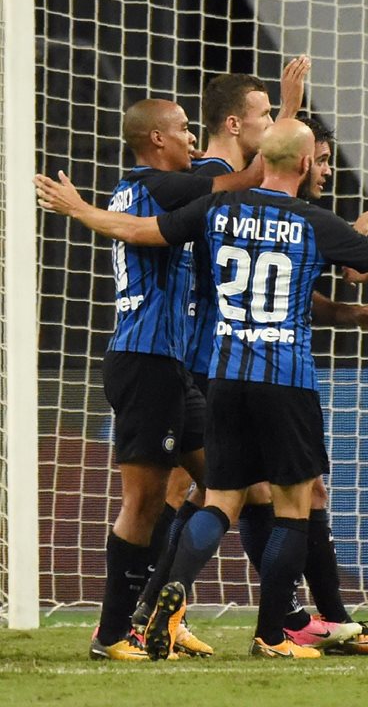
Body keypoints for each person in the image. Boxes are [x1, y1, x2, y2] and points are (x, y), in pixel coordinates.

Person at [35, 118, 368, 659]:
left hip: (225, 378)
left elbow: (139, 231)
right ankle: (272, 634)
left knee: (220, 499)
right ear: (305, 165)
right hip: (285, 380)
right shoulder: (312, 221)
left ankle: (171, 591)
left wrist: (78, 209)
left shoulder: (216, 212)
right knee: (293, 508)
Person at [81, 98, 263, 661]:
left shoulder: (152, 191)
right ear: (156, 139)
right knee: (143, 502)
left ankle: (157, 612)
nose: (192, 140)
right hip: (146, 361)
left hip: (171, 367)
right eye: (184, 130)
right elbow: (249, 178)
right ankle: (113, 633)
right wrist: (284, 111)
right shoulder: (157, 186)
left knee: (227, 484)